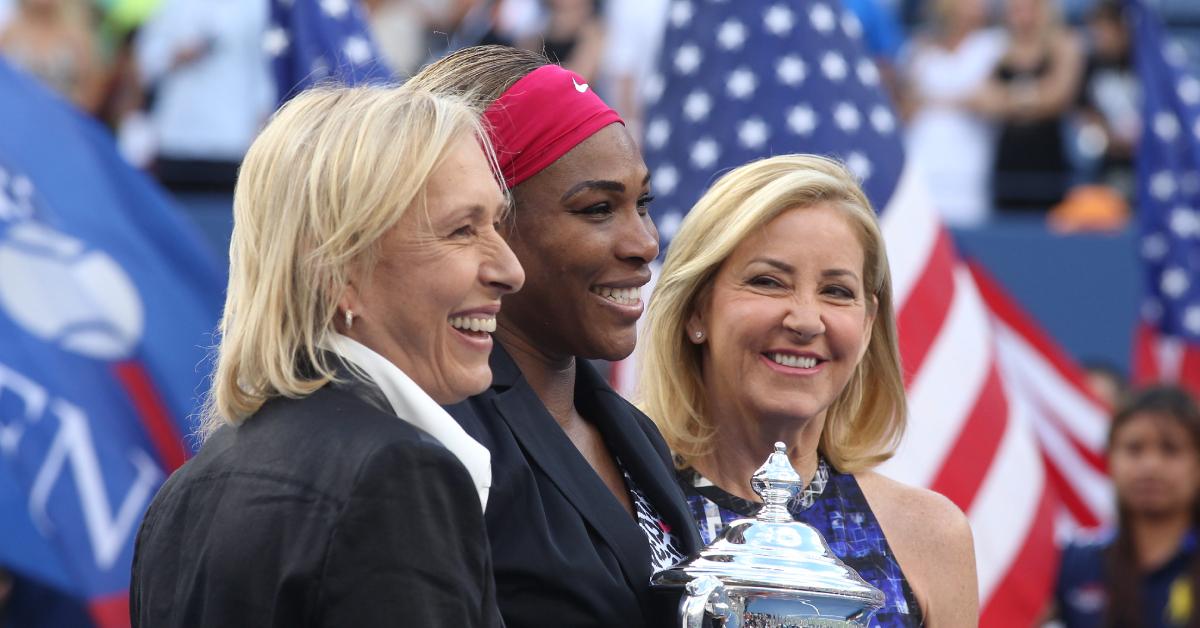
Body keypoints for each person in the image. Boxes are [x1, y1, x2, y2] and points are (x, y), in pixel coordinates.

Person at [129, 85, 524, 627]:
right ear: (338, 272)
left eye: (497, 224)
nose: (510, 270)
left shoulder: (182, 495)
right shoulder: (395, 477)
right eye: (462, 229)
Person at [407, 45, 703, 628]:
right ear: (483, 224)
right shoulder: (438, 439)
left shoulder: (633, 433)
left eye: (642, 203)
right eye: (597, 208)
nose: (644, 242)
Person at [638, 154, 978, 627]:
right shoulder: (619, 510)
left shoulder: (930, 535)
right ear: (697, 311)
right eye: (768, 282)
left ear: (867, 324)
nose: (804, 320)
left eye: (837, 291)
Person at [1055, 386, 1200, 628]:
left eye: (1170, 449)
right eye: (1134, 449)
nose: (1150, 466)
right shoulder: (1071, 563)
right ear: (1109, 458)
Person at [970, 0, 1084, 213]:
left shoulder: (1061, 44)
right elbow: (982, 99)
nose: (1020, 16)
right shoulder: (999, 48)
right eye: (1014, 9)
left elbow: (1058, 96)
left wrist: (1009, 99)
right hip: (1008, 158)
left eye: (1026, 8)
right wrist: (1033, 96)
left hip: (1048, 157)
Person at [900, 0, 1006, 228]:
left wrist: (932, 100)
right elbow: (906, 107)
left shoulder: (996, 45)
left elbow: (989, 101)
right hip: (922, 153)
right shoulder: (920, 48)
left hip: (968, 159)